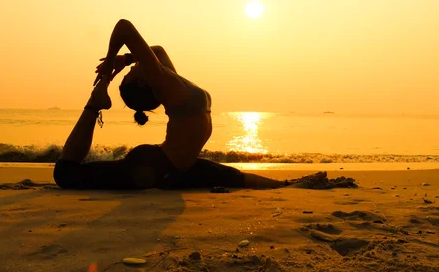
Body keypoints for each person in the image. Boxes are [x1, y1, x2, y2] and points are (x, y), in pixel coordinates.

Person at [53, 19, 285, 190]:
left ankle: (288, 185)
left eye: (131, 69)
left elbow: (159, 51)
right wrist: (108, 65)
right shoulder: (163, 83)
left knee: (236, 178)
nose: (133, 67)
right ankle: (94, 104)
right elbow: (123, 27)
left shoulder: (169, 81)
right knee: (66, 175)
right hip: (155, 167)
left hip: (176, 167)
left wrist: (125, 58)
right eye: (131, 72)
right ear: (144, 82)